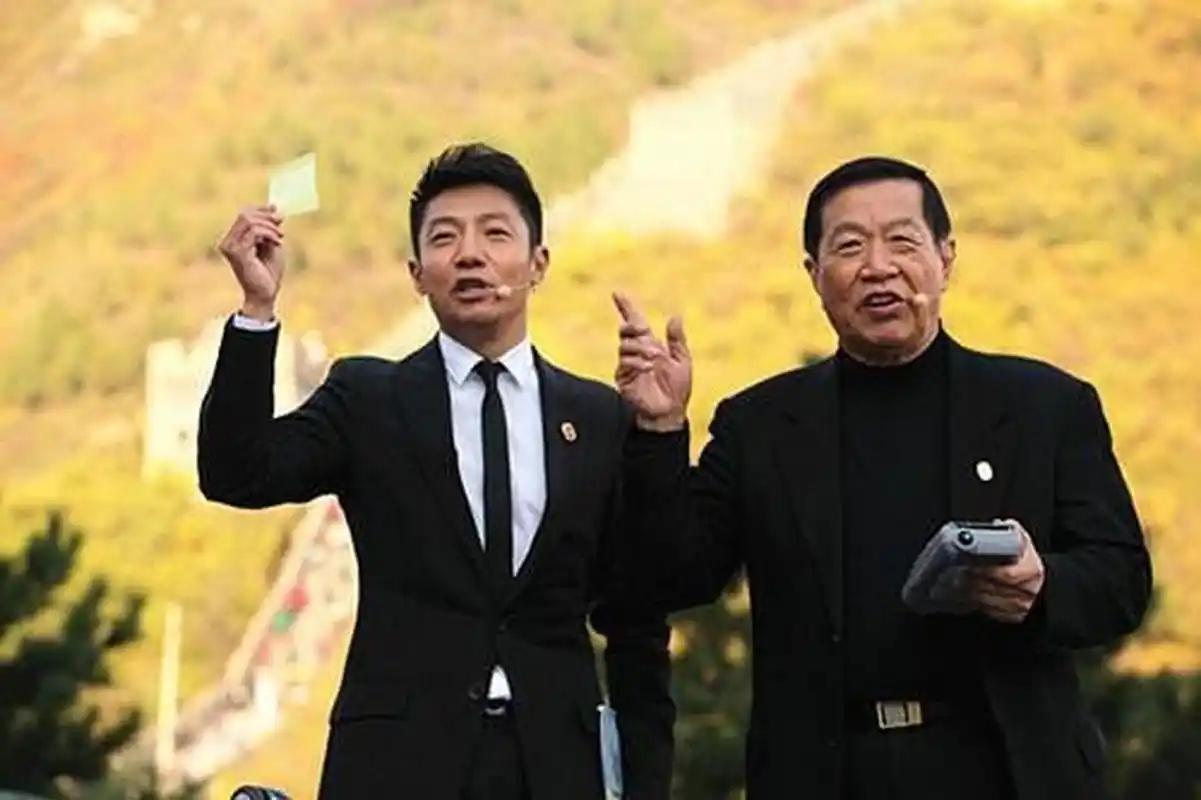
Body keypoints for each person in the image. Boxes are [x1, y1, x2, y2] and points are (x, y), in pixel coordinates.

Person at [612, 156, 1151, 799]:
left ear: (945, 258)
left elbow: (1121, 580)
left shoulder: (1045, 407)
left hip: (1008, 769)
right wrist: (660, 430)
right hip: (827, 772)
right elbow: (675, 576)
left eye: (902, 240)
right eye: (849, 247)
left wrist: (1042, 587)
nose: (878, 266)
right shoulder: (760, 426)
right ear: (814, 275)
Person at [200, 143, 674, 799]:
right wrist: (256, 311)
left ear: (538, 263)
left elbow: (636, 614)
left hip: (555, 765)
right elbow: (237, 472)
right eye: (445, 238)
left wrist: (646, 784)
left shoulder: (596, 416)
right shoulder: (368, 399)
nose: (470, 254)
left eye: (495, 234)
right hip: (399, 763)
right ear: (417, 273)